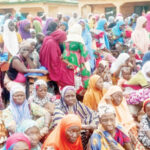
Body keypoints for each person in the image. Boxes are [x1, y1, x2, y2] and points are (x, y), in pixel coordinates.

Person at [99, 86, 145, 150]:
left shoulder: (122, 104)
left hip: (126, 130)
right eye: (117, 96)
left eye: (121, 96)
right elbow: (113, 123)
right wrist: (109, 103)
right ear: (110, 96)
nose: (119, 99)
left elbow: (128, 120)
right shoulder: (105, 106)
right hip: (114, 131)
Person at [63, 24, 90, 89]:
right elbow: (84, 53)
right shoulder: (79, 39)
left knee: (67, 74)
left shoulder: (67, 38)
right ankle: (77, 89)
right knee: (76, 74)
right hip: (76, 59)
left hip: (65, 57)